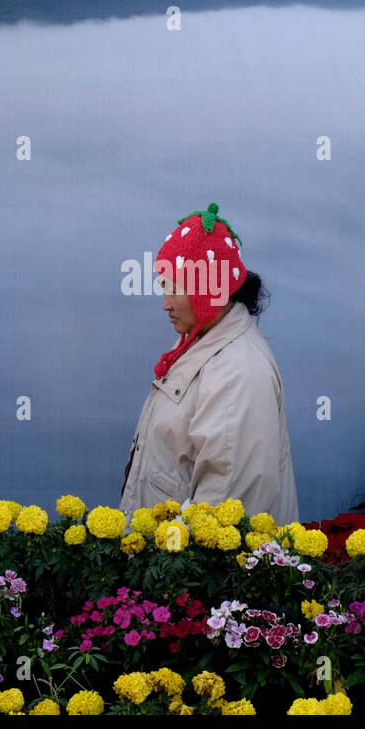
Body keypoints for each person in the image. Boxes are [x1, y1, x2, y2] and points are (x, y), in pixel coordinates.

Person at [120, 202, 299, 523]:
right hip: (160, 564)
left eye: (176, 289)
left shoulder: (236, 377)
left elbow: (219, 526)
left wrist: (162, 569)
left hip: (182, 571)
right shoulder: (200, 339)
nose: (165, 304)